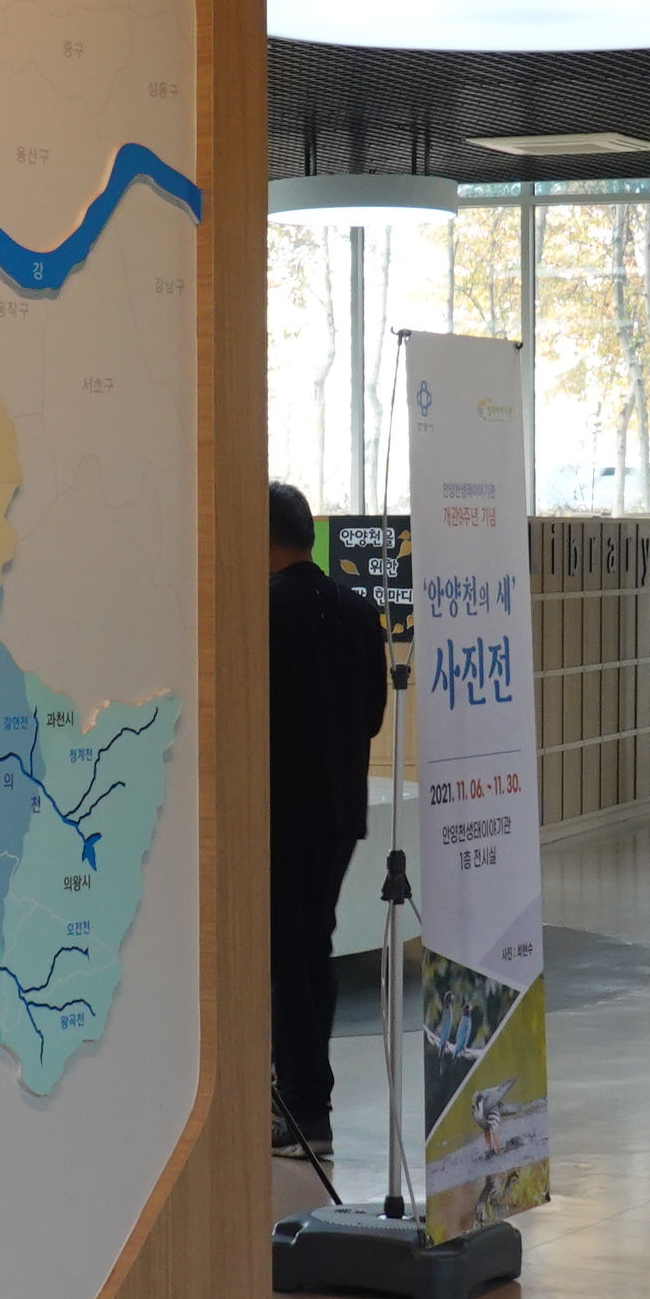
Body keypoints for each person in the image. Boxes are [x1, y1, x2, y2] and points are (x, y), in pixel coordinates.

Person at [270, 481, 390, 1156]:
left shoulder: (261, 612)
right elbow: (371, 716)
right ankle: (304, 1097)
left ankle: (302, 1107)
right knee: (312, 946)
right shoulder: (357, 609)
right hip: (340, 810)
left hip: (278, 813)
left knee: (287, 953)